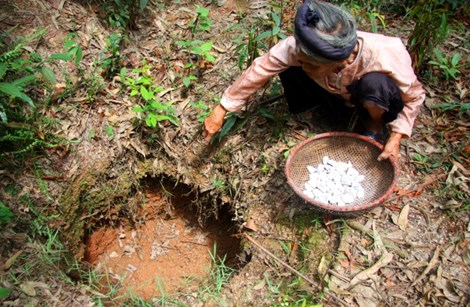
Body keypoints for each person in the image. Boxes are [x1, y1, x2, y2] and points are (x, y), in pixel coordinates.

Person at [203, 0, 425, 162]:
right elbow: (260, 69)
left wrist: (397, 136)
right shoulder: (300, 49)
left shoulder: (386, 52)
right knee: (288, 65)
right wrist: (222, 108)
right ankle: (318, 108)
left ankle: (374, 124)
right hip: (333, 93)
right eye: (304, 60)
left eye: (313, 64)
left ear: (342, 60)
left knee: (376, 85)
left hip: (368, 99)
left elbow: (415, 97)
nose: (306, 66)